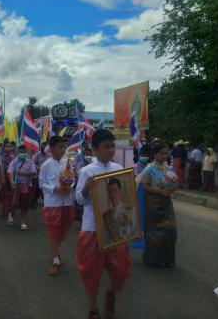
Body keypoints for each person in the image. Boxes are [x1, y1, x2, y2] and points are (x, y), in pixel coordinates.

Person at [76, 130, 130, 319]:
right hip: (92, 228)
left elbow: (125, 197)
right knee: (90, 271)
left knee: (122, 270)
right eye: (106, 146)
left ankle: (111, 292)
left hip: (115, 228)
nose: (111, 150)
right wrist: (86, 188)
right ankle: (93, 308)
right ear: (95, 149)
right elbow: (80, 201)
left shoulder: (119, 168)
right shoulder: (86, 171)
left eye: (112, 145)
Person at [39, 136, 75, 277]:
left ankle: (56, 252)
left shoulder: (68, 163)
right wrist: (55, 189)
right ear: (52, 148)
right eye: (60, 146)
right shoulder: (46, 165)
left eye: (64, 147)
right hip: (52, 203)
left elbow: (73, 178)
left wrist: (70, 186)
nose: (63, 149)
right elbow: (41, 184)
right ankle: (55, 261)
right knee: (54, 232)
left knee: (63, 232)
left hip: (67, 202)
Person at [140, 143, 177, 269]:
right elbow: (144, 186)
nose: (164, 156)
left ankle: (167, 259)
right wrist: (161, 191)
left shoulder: (168, 168)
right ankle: (152, 260)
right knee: (154, 234)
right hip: (153, 205)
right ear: (154, 155)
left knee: (171, 230)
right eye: (161, 153)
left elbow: (173, 184)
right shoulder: (149, 169)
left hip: (166, 203)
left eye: (166, 153)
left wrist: (173, 187)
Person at [7, 145, 37, 230]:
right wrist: (11, 181)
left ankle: (23, 222)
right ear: (17, 152)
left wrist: (22, 172)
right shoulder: (14, 162)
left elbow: (34, 172)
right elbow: (11, 172)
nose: (22, 153)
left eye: (24, 152)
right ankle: (12, 215)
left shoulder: (30, 162)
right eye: (21, 152)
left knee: (25, 205)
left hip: (27, 186)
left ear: (27, 152)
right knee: (13, 203)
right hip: (16, 185)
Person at [102, 178, 136, 244]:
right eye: (110, 191)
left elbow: (127, 236)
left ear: (120, 191)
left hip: (122, 247)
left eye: (115, 191)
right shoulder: (107, 214)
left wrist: (110, 227)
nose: (112, 195)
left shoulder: (129, 210)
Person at [0, 141, 16, 216]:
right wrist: (2, 178)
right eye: (6, 146)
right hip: (4, 176)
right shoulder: (1, 157)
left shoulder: (14, 157)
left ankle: (9, 209)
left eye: (9, 146)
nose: (8, 148)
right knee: (4, 194)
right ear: (4, 148)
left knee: (11, 194)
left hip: (12, 177)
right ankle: (4, 208)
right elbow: (1, 168)